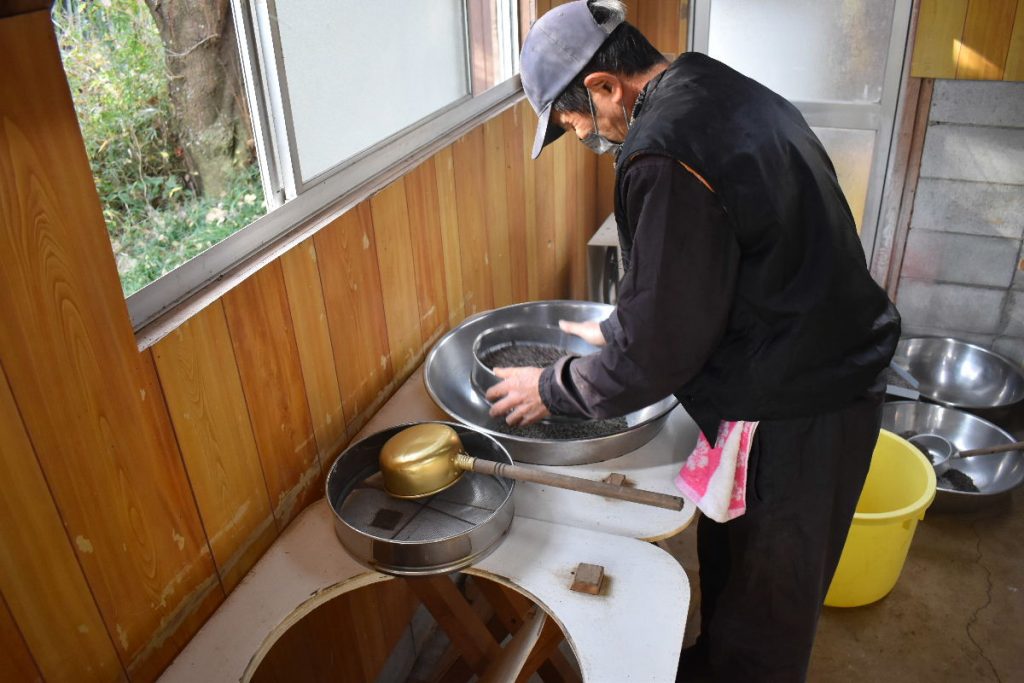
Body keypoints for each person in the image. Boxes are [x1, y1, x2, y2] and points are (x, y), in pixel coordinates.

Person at [485, 1, 902, 681]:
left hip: (804, 407)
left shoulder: (662, 152)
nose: (591, 138)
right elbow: (715, 264)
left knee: (764, 620)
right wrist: (619, 326)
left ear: (603, 87)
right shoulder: (710, 85)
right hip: (814, 361)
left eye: (579, 124)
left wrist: (555, 385)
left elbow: (657, 352)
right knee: (733, 574)